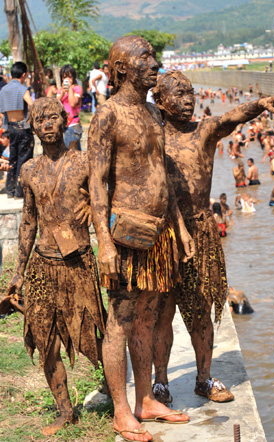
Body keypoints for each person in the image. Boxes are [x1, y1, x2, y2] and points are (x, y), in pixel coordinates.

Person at [151, 70, 274, 406]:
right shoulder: (152, 138)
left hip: (201, 230)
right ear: (162, 100)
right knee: (161, 313)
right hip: (163, 234)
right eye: (179, 93)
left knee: (202, 309)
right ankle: (161, 383)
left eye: (191, 92)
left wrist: (261, 104)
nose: (189, 99)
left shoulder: (204, 131)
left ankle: (203, 378)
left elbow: (231, 116)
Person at [88, 36, 193, 442]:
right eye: (144, 58)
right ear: (121, 70)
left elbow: (161, 175)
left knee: (147, 318)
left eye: (153, 56)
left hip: (159, 231)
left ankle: (146, 399)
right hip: (125, 234)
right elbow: (97, 185)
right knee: (120, 320)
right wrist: (105, 242)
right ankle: (120, 409)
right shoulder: (107, 116)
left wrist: (179, 228)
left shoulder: (152, 112)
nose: (154, 64)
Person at [4, 97, 107, 436]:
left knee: (94, 334)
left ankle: (114, 389)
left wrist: (94, 206)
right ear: (32, 127)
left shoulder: (84, 162)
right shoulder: (29, 169)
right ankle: (66, 411)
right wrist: (18, 272)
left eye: (52, 117)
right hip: (42, 266)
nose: (46, 124)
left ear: (65, 121)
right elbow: (28, 222)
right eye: (39, 119)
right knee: (44, 340)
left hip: (79, 263)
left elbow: (109, 196)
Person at [0, 61, 34, 198]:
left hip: (10, 129)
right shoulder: (22, 88)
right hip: (22, 128)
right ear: (24, 74)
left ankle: (10, 190)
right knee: (24, 160)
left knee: (12, 159)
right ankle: (20, 192)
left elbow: (2, 112)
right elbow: (31, 105)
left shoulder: (3, 90)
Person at [57, 64, 83, 150]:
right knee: (74, 154)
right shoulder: (61, 90)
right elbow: (55, 104)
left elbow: (72, 103)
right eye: (64, 77)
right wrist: (63, 93)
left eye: (69, 77)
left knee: (71, 154)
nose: (67, 80)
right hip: (63, 125)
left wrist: (70, 89)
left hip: (73, 126)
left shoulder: (77, 88)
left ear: (73, 77)